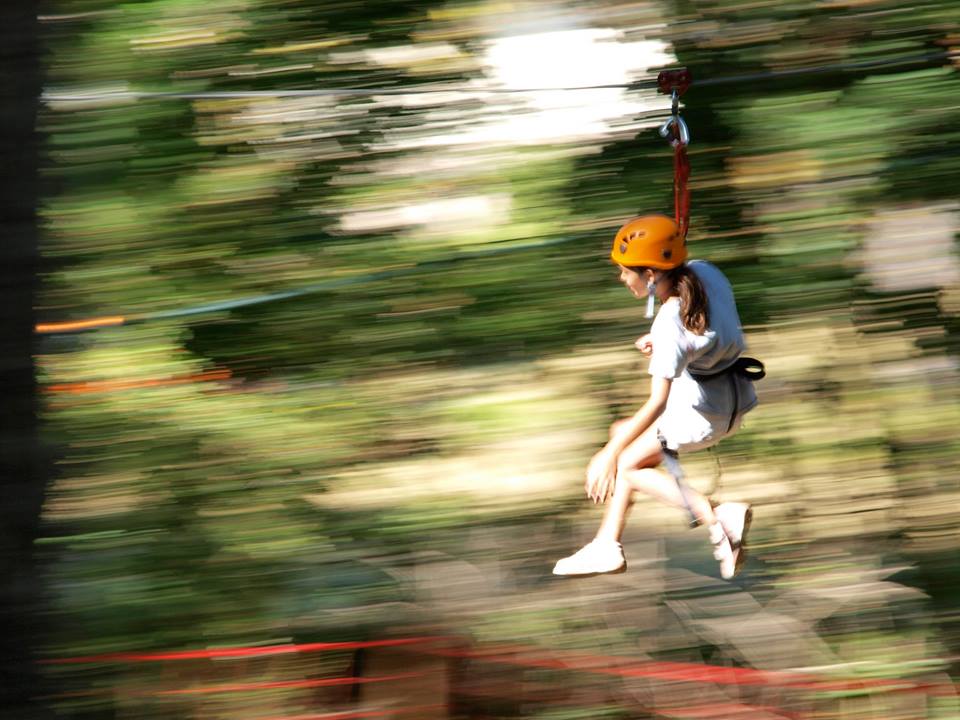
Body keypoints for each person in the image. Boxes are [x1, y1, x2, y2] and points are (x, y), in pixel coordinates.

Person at [553, 215, 758, 580]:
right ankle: (607, 544)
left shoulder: (669, 321)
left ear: (650, 275)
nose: (621, 278)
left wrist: (606, 456)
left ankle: (716, 516)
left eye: (625, 271)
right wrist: (664, 345)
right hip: (732, 395)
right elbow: (710, 329)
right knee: (622, 431)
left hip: (703, 412)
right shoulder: (705, 272)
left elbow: (657, 403)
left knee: (626, 465)